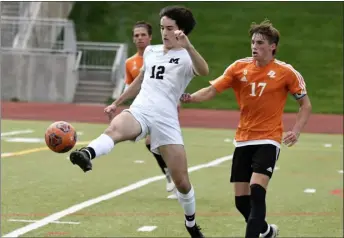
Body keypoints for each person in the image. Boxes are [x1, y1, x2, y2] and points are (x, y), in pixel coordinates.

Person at [69, 5, 209, 237]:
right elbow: (140, 80)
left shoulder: (186, 57)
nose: (164, 32)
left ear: (181, 31)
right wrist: (117, 102)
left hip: (166, 120)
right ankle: (87, 153)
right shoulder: (152, 52)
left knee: (182, 182)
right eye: (162, 27)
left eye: (170, 28)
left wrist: (189, 46)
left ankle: (191, 223)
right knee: (116, 128)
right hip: (142, 109)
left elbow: (204, 71)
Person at [180, 19, 312, 238]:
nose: (254, 46)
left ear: (273, 47)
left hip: (268, 139)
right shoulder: (239, 67)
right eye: (252, 42)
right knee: (241, 202)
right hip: (243, 139)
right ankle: (267, 232)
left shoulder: (286, 72)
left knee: (257, 191)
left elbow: (305, 105)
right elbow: (213, 90)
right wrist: (191, 97)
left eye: (260, 42)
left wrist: (296, 130)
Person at [125, 20, 175, 194]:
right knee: (151, 142)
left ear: (150, 37)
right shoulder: (130, 63)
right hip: (141, 108)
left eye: (143, 35)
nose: (140, 38)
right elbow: (130, 85)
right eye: (136, 35)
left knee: (157, 143)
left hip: (161, 107)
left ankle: (172, 173)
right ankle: (170, 173)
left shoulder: (160, 55)